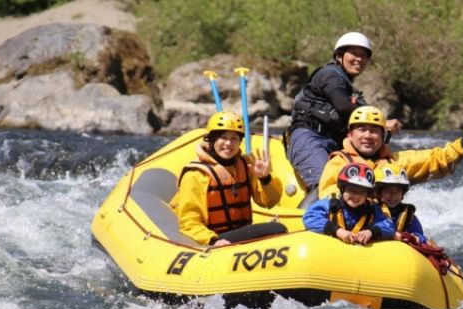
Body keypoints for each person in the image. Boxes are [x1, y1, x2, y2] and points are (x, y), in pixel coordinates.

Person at [287, 32, 401, 191]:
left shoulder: (352, 91)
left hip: (335, 144)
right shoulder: (329, 75)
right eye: (353, 53)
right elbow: (342, 105)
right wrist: (381, 121)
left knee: (360, 182)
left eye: (363, 55)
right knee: (326, 183)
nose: (359, 59)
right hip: (309, 137)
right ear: (339, 56)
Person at [317, 105, 463, 199]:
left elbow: (436, 159)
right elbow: (328, 198)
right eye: (362, 130)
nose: (367, 136)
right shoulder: (339, 163)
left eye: (374, 130)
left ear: (383, 135)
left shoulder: (395, 163)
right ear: (350, 134)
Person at [170, 111, 287, 247]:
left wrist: (265, 178)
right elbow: (189, 221)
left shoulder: (246, 165)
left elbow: (268, 202)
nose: (228, 143)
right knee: (276, 229)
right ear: (212, 140)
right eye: (223, 137)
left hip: (238, 233)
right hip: (212, 239)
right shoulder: (196, 174)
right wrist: (213, 240)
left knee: (277, 228)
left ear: (240, 142)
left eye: (234, 138)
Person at [302, 162, 395, 245]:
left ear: (368, 194)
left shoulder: (373, 208)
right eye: (351, 190)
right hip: (331, 251)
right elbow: (310, 217)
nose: (356, 196)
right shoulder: (331, 203)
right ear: (342, 189)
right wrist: (336, 230)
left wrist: (371, 232)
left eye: (362, 192)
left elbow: (388, 225)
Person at [374, 163, 429, 244]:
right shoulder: (370, 210)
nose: (393, 195)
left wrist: (414, 238)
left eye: (397, 191)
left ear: (403, 194)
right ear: (378, 193)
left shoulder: (409, 217)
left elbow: (422, 237)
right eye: (388, 191)